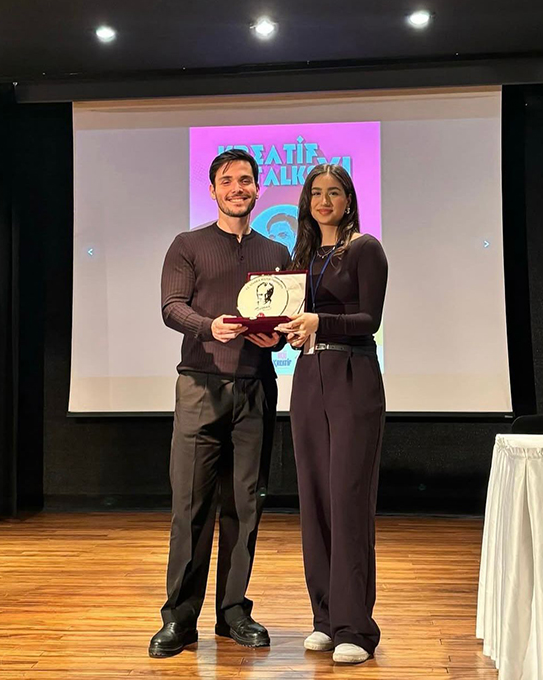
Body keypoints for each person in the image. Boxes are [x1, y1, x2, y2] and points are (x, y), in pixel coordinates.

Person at [150, 149, 291, 658]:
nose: (237, 188)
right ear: (212, 190)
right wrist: (209, 326)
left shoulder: (277, 251)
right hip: (199, 387)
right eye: (227, 180)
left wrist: (277, 338)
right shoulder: (187, 245)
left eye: (246, 180)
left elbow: (285, 317)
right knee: (190, 508)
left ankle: (234, 612)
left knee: (245, 506)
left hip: (256, 388)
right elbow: (172, 307)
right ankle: (179, 618)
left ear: (258, 188)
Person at [276, 164, 388, 665]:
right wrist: (278, 330)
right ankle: (324, 619)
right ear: (306, 202)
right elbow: (290, 319)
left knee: (348, 499)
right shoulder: (301, 257)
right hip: (307, 376)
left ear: (348, 200)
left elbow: (369, 319)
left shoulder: (365, 249)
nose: (324, 201)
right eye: (316, 193)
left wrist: (320, 320)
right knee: (316, 500)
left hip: (352, 375)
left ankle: (355, 628)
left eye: (334, 192)